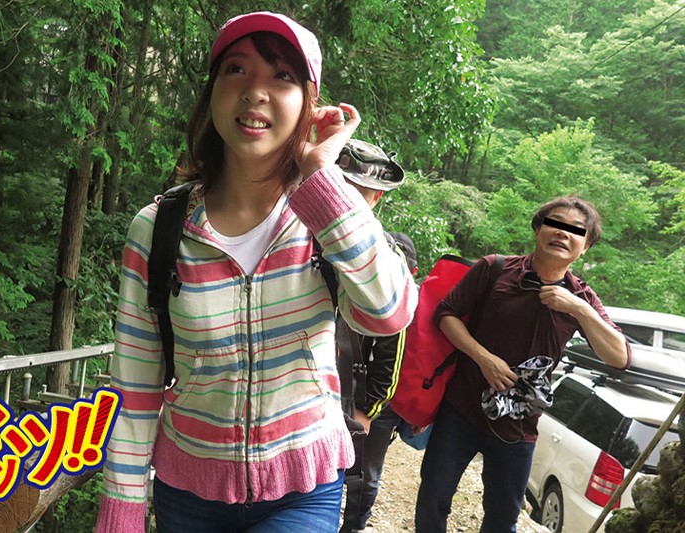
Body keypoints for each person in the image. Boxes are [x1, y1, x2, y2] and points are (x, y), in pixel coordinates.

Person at [95, 11, 418, 533]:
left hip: (303, 488)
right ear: (212, 93)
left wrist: (322, 177)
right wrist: (122, 511)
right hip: (188, 492)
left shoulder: (328, 216)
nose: (255, 92)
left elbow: (389, 312)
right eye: (236, 70)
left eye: (282, 76)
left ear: (309, 104)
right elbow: (134, 385)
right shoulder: (158, 228)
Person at [414, 195, 631, 533]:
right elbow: (446, 314)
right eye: (555, 224)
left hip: (519, 425)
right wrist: (483, 357)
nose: (563, 233)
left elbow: (619, 357)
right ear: (538, 229)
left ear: (586, 246)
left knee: (503, 519)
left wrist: (578, 308)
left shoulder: (581, 298)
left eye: (576, 230)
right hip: (462, 409)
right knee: (433, 498)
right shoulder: (495, 268)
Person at [332, 140, 418, 533]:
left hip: (355, 392)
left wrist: (369, 408)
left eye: (360, 190)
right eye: (342, 184)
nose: (349, 196)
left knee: (361, 477)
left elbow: (391, 341)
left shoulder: (384, 255)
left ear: (376, 197)